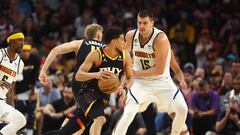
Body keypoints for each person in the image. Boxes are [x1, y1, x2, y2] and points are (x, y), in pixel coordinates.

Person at [112, 10, 188, 135]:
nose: (141, 26)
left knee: (182, 109)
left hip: (161, 81)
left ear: (152, 23)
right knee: (128, 114)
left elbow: (161, 69)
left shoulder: (161, 39)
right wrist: (121, 85)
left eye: (145, 23)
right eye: (139, 23)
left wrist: (181, 78)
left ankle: (177, 132)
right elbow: (122, 60)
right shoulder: (131, 35)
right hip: (141, 83)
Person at [74, 26, 133, 135]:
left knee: (73, 129)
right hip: (87, 92)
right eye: (122, 39)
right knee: (100, 119)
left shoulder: (125, 56)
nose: (125, 42)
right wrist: (97, 74)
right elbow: (78, 76)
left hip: (103, 96)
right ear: (114, 42)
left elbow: (130, 77)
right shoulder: (96, 54)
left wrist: (124, 88)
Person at [0, 32, 26, 135]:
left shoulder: (20, 64)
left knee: (20, 120)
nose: (22, 43)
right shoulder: (1, 54)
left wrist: (12, 109)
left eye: (23, 40)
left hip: (1, 102)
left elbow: (10, 91)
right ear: (11, 41)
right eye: (20, 40)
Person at [15, 43, 40, 135]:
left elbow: (34, 77)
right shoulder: (15, 60)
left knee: (32, 113)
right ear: (20, 52)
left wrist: (32, 93)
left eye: (28, 51)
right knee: (17, 113)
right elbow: (13, 80)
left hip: (30, 89)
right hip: (17, 91)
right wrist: (13, 94)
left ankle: (30, 132)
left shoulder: (35, 59)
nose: (26, 53)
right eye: (24, 51)